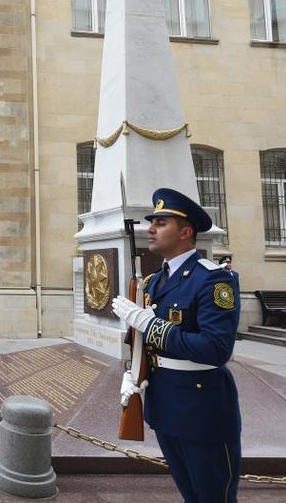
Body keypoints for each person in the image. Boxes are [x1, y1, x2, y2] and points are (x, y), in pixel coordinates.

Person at [112, 188, 241, 503]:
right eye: (151, 222)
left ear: (186, 232)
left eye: (161, 222)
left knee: (214, 497)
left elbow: (216, 348)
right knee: (190, 495)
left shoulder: (213, 280)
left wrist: (149, 323)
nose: (150, 229)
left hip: (202, 407)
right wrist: (136, 375)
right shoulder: (155, 281)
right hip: (164, 404)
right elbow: (145, 343)